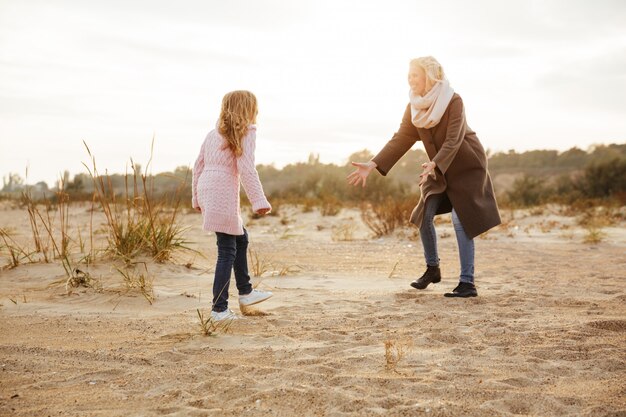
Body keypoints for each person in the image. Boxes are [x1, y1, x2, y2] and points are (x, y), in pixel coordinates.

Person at [347, 56, 501, 298]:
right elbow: (401, 138)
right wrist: (373, 163)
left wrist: (435, 163)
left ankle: (467, 283)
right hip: (436, 167)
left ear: (429, 76)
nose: (410, 79)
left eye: (415, 74)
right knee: (424, 214)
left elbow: (454, 139)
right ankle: (433, 268)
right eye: (408, 75)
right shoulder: (414, 106)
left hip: (465, 165)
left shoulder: (453, 100)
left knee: (461, 219)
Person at [192, 90, 273, 320]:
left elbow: (198, 166)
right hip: (223, 190)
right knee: (227, 249)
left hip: (207, 188)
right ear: (249, 109)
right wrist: (258, 200)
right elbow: (247, 168)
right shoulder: (246, 132)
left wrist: (196, 198)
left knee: (240, 237)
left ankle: (246, 292)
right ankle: (219, 309)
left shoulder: (212, 134)